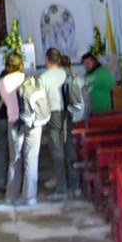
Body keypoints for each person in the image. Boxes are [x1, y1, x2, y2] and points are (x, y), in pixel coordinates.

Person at [0, 51, 42, 206]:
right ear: (20, 64)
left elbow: (5, 102)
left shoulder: (3, 81)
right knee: (31, 158)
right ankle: (30, 196)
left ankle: (11, 196)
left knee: (15, 159)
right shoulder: (28, 78)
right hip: (31, 121)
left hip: (14, 122)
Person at [38, 47, 67, 200]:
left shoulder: (44, 77)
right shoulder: (66, 73)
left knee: (56, 151)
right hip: (68, 114)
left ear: (47, 60)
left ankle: (61, 188)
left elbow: (41, 101)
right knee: (68, 148)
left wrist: (41, 120)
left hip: (54, 114)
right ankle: (73, 185)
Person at [61, 54, 82, 197]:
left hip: (68, 118)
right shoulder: (77, 77)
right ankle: (75, 184)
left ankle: (74, 185)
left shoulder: (65, 80)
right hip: (79, 118)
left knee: (69, 151)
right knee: (74, 150)